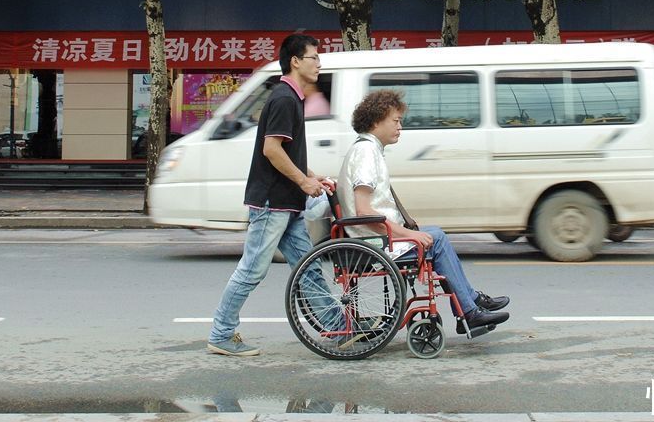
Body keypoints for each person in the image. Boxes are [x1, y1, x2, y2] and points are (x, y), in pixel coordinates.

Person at [336, 89, 510, 335]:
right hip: (372, 241)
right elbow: (364, 210)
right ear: (376, 121)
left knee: (436, 233)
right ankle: (469, 310)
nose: (400, 127)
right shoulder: (366, 152)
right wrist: (407, 235)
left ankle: (470, 302)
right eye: (395, 121)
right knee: (435, 239)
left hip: (376, 236)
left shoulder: (368, 149)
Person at [207, 33, 334, 357]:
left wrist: (309, 175)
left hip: (286, 203)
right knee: (252, 270)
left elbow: (287, 152)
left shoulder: (292, 98)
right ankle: (221, 334)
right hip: (271, 203)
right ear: (295, 61)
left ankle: (337, 324)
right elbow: (272, 150)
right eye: (313, 58)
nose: (319, 63)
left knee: (309, 266)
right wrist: (304, 183)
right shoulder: (283, 99)